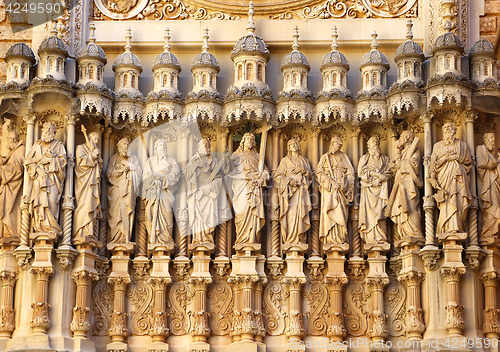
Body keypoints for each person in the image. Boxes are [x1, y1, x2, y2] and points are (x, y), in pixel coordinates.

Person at [428, 122, 472, 235]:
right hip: (444, 178)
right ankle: (446, 228)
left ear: (454, 130)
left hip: (459, 178)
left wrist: (457, 158)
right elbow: (433, 164)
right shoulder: (437, 146)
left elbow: (468, 162)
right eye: (445, 128)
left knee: (458, 201)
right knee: (446, 202)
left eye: (450, 128)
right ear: (443, 131)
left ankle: (457, 227)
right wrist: (433, 177)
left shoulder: (462, 145)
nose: (448, 130)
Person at [25, 121, 67, 238]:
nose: (48, 131)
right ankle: (39, 227)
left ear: (54, 132)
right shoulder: (37, 145)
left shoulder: (58, 145)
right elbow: (27, 161)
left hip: (53, 181)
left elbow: (63, 163)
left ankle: (51, 228)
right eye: (46, 128)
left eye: (50, 129)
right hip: (39, 180)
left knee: (52, 201)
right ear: (42, 129)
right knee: (38, 205)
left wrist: (51, 161)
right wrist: (37, 169)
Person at [185, 138, 228, 245]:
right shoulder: (194, 160)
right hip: (197, 195)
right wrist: (195, 165)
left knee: (209, 218)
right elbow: (187, 175)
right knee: (197, 218)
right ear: (199, 148)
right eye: (203, 145)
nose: (206, 147)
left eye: (207, 145)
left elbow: (219, 179)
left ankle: (207, 239)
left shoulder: (215, 162)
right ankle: (198, 239)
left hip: (209, 195)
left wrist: (209, 188)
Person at [229, 133, 269, 246]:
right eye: (248, 139)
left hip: (255, 188)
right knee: (242, 212)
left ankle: (252, 240)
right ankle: (242, 239)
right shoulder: (236, 155)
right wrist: (246, 176)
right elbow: (230, 171)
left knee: (253, 214)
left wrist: (262, 178)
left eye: (252, 140)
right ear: (243, 141)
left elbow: (266, 171)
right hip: (241, 186)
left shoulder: (257, 157)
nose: (250, 142)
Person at [316, 136, 354, 248]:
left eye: (338, 145)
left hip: (341, 189)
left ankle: (340, 237)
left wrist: (347, 186)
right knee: (329, 212)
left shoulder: (344, 157)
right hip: (329, 189)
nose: (336, 147)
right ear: (331, 144)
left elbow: (350, 173)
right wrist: (330, 182)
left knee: (341, 212)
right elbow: (319, 172)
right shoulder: (325, 157)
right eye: (335, 144)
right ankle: (330, 237)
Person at [386, 130, 423, 241]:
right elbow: (392, 169)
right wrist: (395, 159)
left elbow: (415, 165)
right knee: (400, 209)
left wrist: (401, 164)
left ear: (407, 138)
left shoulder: (414, 150)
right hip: (399, 183)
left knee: (411, 206)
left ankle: (414, 233)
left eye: (401, 137)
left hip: (409, 183)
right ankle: (403, 234)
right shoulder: (401, 153)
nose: (399, 140)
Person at [274, 138, 312, 245]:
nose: (293, 145)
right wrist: (288, 181)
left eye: (295, 144)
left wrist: (303, 170)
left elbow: (310, 176)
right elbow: (277, 176)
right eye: (291, 144)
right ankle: (290, 238)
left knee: (300, 215)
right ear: (288, 148)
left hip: (301, 192)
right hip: (289, 193)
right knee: (290, 215)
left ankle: (299, 238)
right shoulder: (285, 161)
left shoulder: (304, 161)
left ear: (299, 146)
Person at [142, 139, 181, 245]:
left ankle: (166, 238)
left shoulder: (171, 160)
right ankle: (155, 238)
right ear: (156, 148)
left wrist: (163, 177)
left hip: (166, 192)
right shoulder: (150, 161)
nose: (163, 147)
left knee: (167, 213)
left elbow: (176, 173)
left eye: (164, 146)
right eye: (160, 145)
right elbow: (145, 176)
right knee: (152, 215)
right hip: (153, 193)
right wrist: (154, 179)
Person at [107, 137, 142, 246]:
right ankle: (116, 238)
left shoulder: (134, 159)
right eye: (124, 145)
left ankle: (126, 237)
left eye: (128, 145)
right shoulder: (114, 159)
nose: (126, 147)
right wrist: (121, 171)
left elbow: (139, 175)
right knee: (115, 213)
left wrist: (131, 168)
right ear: (119, 147)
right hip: (116, 190)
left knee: (127, 211)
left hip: (128, 191)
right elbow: (109, 174)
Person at [358, 136, 391, 245]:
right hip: (368, 192)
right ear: (368, 146)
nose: (375, 145)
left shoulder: (385, 160)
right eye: (373, 143)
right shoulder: (364, 158)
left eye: (377, 143)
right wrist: (375, 176)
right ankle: (370, 238)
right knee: (369, 217)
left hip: (381, 191)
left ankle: (380, 237)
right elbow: (360, 173)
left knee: (381, 215)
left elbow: (390, 173)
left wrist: (382, 179)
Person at [73, 132, 103, 241]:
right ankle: (80, 231)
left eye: (97, 140)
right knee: (84, 205)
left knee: (91, 205)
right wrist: (93, 155)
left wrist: (99, 161)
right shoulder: (80, 148)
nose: (96, 142)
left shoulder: (94, 150)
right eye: (95, 139)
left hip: (93, 183)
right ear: (89, 139)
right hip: (84, 182)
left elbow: (100, 168)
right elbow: (80, 162)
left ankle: (89, 231)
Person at [0, 130, 25, 240]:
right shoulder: (13, 151)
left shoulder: (21, 150)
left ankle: (12, 232)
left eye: (9, 139)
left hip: (14, 187)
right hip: (7, 187)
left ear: (14, 139)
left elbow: (18, 170)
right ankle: (7, 232)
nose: (7, 142)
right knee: (5, 209)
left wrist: (2, 169)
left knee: (10, 208)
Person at [476, 132, 500, 239]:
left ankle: (492, 232)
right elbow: (480, 164)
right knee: (491, 207)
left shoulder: (492, 155)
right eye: (491, 138)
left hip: (493, 184)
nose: (493, 140)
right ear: (485, 139)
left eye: (494, 139)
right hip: (486, 184)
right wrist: (495, 163)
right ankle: (486, 232)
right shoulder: (480, 149)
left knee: (496, 207)